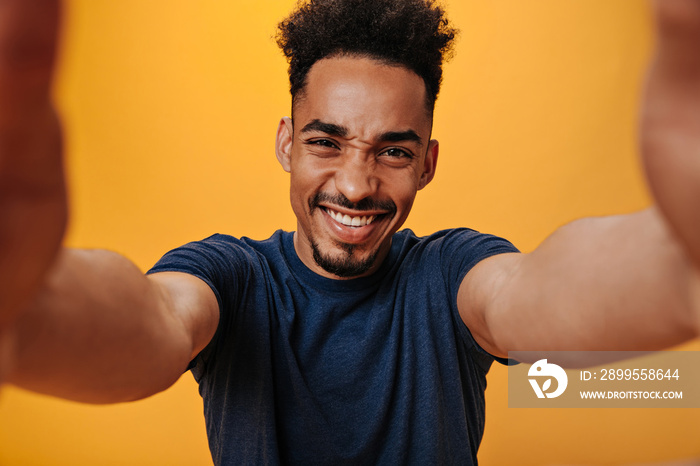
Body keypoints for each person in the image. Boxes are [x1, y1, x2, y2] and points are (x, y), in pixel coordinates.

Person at [1, 0, 699, 464]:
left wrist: (680, 273)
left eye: (393, 151)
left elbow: (538, 298)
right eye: (327, 143)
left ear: (426, 163)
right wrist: (26, 318)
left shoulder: (451, 274)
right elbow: (152, 323)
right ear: (286, 145)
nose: (357, 185)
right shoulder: (232, 280)